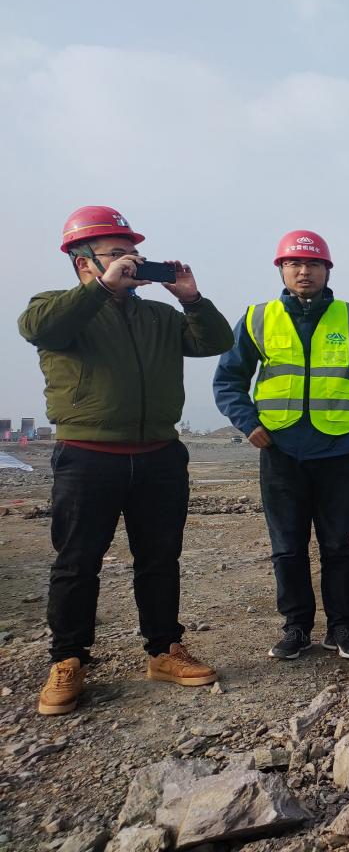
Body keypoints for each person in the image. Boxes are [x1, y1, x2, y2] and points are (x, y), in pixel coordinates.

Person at [20, 206, 234, 716]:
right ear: (83, 261)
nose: (131, 261)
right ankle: (68, 659)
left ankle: (163, 650)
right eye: (117, 253)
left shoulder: (159, 316)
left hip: (159, 454)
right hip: (87, 456)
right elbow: (39, 329)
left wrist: (191, 299)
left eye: (133, 253)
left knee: (159, 559)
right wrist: (100, 289)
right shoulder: (55, 307)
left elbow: (216, 341)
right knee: (77, 562)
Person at [213, 230, 349, 661]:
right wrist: (249, 423)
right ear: (281, 270)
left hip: (339, 452)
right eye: (293, 263)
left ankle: (341, 626)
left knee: (337, 545)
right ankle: (296, 627)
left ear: (327, 270)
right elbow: (229, 379)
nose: (303, 271)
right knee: (287, 547)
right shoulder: (258, 317)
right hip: (281, 452)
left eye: (312, 264)